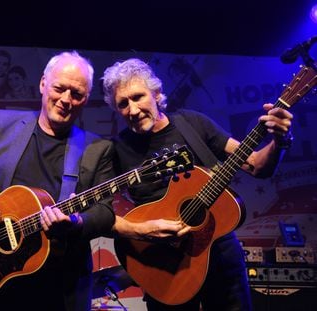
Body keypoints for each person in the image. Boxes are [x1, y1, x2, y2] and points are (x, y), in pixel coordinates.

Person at [101, 58, 293, 311]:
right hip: (164, 264)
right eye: (122, 104)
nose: (133, 110)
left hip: (219, 252)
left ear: (157, 94)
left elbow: (256, 165)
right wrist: (140, 231)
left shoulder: (193, 124)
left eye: (138, 97)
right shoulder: (118, 149)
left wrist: (280, 142)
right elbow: (100, 214)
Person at [0, 51, 115, 310]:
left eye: (76, 94)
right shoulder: (1, 123)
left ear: (86, 99)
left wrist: (76, 222)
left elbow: (105, 213)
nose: (66, 100)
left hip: (57, 289)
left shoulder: (97, 148)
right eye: (59, 88)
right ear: (43, 83)